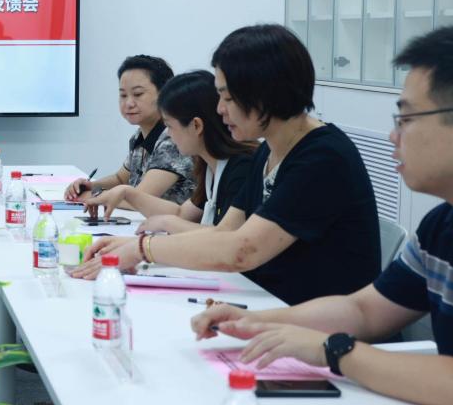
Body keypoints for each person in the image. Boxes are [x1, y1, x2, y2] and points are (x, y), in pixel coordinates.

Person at [192, 25, 453, 405]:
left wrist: (334, 350)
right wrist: (253, 322)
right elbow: (364, 311)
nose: (394, 136)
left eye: (407, 119)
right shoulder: (444, 227)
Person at [74, 24, 380, 306]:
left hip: (311, 322)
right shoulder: (268, 152)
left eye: (228, 98)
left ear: (264, 94)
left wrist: (144, 249)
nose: (219, 110)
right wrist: (135, 245)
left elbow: (241, 250)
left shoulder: (321, 157)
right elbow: (223, 233)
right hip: (269, 304)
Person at [83, 70, 257, 230]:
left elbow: (226, 238)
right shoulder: (210, 167)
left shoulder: (241, 167)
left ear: (196, 126)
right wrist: (126, 192)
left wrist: (159, 232)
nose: (168, 134)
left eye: (170, 126)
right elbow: (181, 214)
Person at [63, 55, 195, 208]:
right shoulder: (139, 137)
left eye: (138, 94)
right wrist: (90, 186)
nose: (128, 103)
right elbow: (120, 179)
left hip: (175, 222)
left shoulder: (173, 139)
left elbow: (139, 199)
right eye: (123, 95)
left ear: (164, 94)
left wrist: (92, 196)